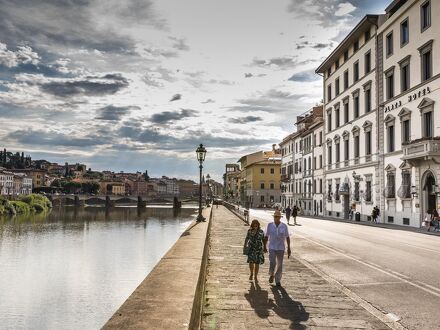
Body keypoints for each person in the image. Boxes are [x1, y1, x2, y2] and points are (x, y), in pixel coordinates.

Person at [263, 210, 291, 287]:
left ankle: (277, 279)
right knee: (272, 262)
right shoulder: (269, 225)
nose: (276, 218)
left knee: (280, 264)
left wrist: (289, 248)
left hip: (281, 248)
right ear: (273, 217)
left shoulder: (284, 226)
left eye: (278, 217)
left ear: (280, 217)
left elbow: (287, 237)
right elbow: (266, 236)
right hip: (271, 247)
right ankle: (271, 274)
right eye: (275, 217)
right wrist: (264, 246)